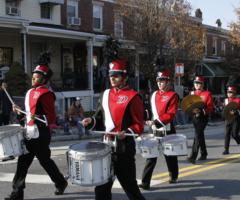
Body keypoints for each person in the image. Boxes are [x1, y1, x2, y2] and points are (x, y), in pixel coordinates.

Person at [82, 59, 145, 200]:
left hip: (123, 149)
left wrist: (127, 132)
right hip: (105, 148)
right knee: (101, 189)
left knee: (130, 188)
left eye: (116, 75)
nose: (112, 78)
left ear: (125, 77)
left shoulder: (133, 97)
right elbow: (99, 119)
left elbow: (138, 125)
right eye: (111, 75)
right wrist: (90, 121)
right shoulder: (105, 94)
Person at [5, 65, 68, 200]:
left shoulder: (46, 94)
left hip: (41, 135)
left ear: (44, 79)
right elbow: (26, 115)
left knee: (45, 161)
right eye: (34, 74)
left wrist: (38, 118)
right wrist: (19, 112)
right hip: (28, 133)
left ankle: (61, 182)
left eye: (38, 75)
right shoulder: (29, 92)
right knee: (22, 164)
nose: (34, 77)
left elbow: (51, 118)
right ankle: (17, 193)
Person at [139, 68, 179, 190]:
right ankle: (145, 182)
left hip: (167, 129)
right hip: (154, 130)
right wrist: (145, 117)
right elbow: (149, 110)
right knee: (151, 156)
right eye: (158, 81)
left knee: (170, 155)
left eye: (162, 80)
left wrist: (156, 122)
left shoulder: (173, 95)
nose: (160, 83)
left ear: (168, 82)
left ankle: (173, 175)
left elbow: (171, 114)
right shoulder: (154, 94)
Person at [187, 75, 214, 163]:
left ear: (202, 84)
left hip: (203, 117)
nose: (197, 85)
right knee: (200, 135)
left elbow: (210, 107)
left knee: (197, 135)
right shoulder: (192, 94)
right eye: (196, 83)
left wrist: (201, 111)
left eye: (199, 83)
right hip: (194, 117)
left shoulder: (207, 94)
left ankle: (193, 156)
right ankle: (204, 153)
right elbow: (187, 104)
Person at [222, 85, 240, 155]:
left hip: (235, 119)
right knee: (227, 134)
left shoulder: (238, 100)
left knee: (234, 134)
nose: (229, 93)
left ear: (234, 93)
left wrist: (236, 111)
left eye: (231, 92)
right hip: (228, 119)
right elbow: (224, 110)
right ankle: (226, 149)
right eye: (228, 92)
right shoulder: (226, 100)